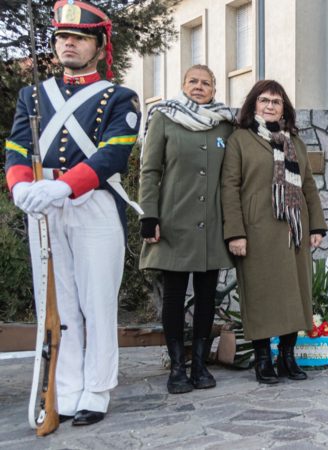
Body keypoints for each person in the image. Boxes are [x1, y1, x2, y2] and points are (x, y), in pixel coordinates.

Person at [4, 0, 140, 426]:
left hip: (91, 203)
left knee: (96, 301)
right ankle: (62, 389)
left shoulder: (119, 97)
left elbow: (113, 153)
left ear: (99, 47)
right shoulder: (33, 94)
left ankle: (96, 389)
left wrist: (63, 185)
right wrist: (21, 186)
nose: (69, 44)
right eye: (63, 37)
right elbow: (17, 147)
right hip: (43, 208)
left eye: (79, 38)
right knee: (57, 304)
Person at [138, 65, 237, 394]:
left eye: (205, 83)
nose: (199, 87)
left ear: (214, 89)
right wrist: (148, 215)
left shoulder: (225, 124)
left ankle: (199, 364)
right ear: (183, 85)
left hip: (211, 222)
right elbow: (149, 169)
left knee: (207, 296)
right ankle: (177, 367)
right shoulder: (165, 118)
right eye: (193, 81)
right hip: (173, 221)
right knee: (175, 297)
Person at [220, 80, 327, 384]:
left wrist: (316, 224)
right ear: (253, 104)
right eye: (264, 100)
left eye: (276, 102)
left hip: (293, 230)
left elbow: (307, 184)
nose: (269, 106)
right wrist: (235, 233)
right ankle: (263, 358)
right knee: (262, 294)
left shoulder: (294, 142)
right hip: (257, 230)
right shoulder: (239, 140)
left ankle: (288, 357)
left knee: (295, 292)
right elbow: (229, 188)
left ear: (284, 108)